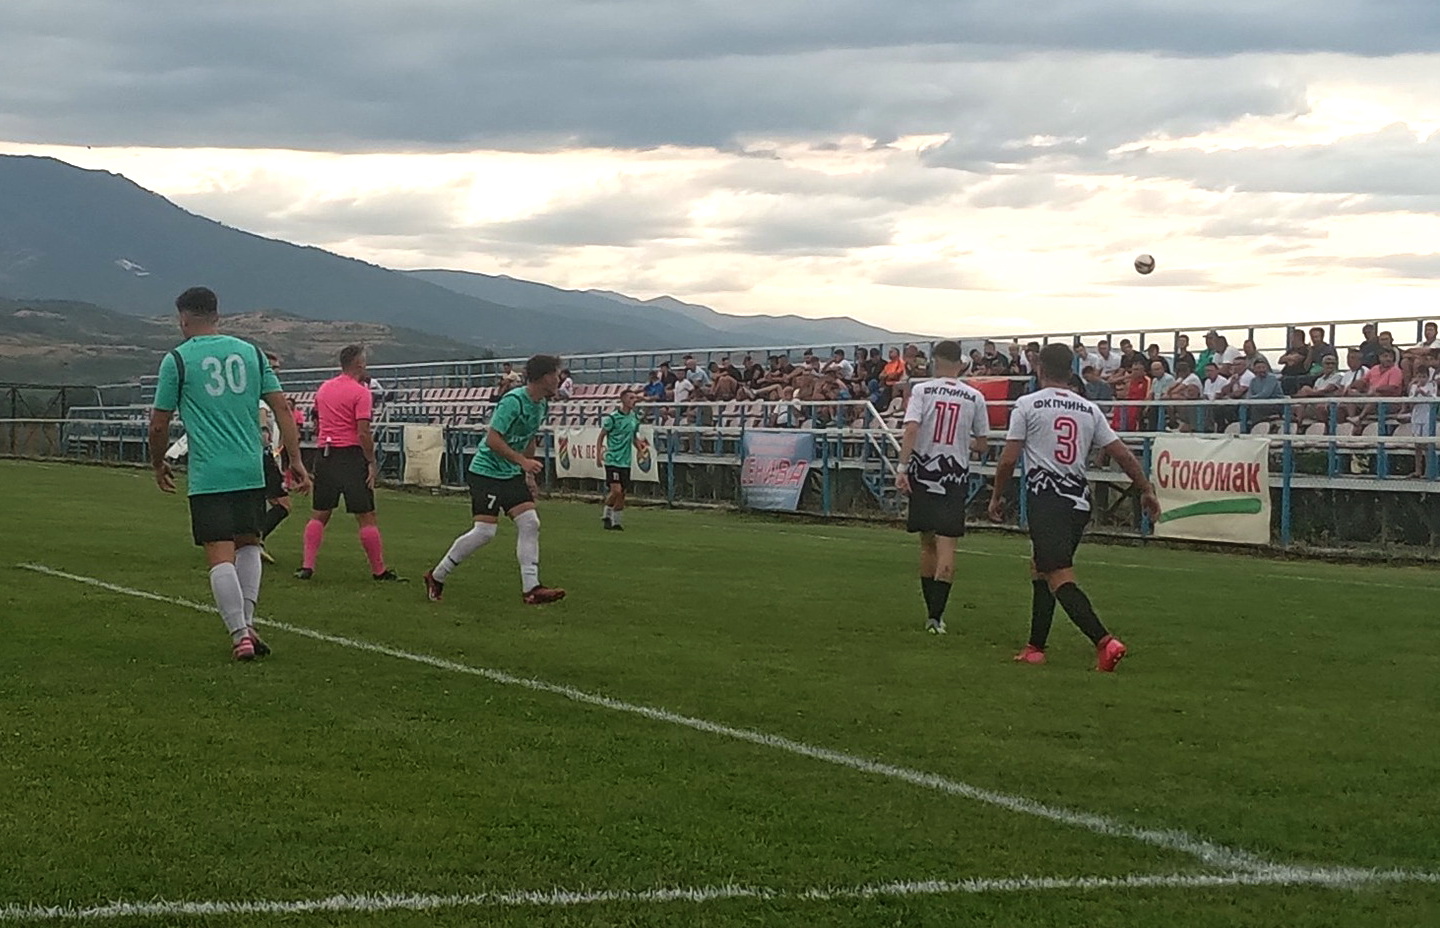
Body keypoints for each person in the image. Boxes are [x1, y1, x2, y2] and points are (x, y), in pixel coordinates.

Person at [147, 287, 311, 661]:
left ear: (183, 319)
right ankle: (248, 624)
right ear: (217, 316)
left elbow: (159, 423)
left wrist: (158, 462)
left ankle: (240, 634)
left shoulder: (177, 360)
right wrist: (296, 460)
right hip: (250, 468)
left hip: (210, 473)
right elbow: (282, 409)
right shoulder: (251, 353)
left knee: (220, 553)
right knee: (249, 544)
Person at [988, 343, 1160, 671]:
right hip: (1079, 500)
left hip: (1048, 498)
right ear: (1071, 372)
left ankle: (1104, 641)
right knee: (1041, 567)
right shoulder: (1088, 409)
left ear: (1039, 368)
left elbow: (1008, 458)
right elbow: (1123, 454)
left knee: (1058, 574)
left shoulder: (1027, 404)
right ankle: (1035, 647)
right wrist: (1146, 489)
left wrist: (997, 495)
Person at [423, 354, 567, 605]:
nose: (559, 379)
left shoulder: (541, 405)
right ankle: (437, 575)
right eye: (556, 374)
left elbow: (528, 438)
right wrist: (522, 461)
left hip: (510, 473)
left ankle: (532, 588)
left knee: (530, 522)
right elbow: (492, 439)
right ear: (545, 377)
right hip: (486, 473)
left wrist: (527, 474)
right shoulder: (514, 401)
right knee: (485, 532)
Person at [895, 340, 988, 635]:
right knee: (947, 544)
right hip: (954, 475)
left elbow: (911, 429)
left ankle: (930, 614)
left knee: (926, 542)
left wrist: (902, 468)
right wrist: (962, 441)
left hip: (923, 472)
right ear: (960, 364)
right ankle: (938, 616)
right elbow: (982, 444)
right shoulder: (975, 396)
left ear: (935, 362)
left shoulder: (922, 390)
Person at [297, 345, 403, 582]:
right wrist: (371, 461)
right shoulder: (361, 393)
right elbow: (363, 432)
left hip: (325, 455)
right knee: (366, 515)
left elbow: (317, 422)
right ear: (359, 364)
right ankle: (379, 570)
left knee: (319, 513)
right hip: (350, 455)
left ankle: (307, 566)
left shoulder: (324, 388)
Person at [257, 350, 292, 564]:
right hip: (262, 455)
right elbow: (262, 419)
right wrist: (264, 434)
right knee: (283, 504)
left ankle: (250, 542)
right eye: (273, 369)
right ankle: (256, 540)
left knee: (260, 500)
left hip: (254, 455)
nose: (277, 373)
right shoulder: (262, 399)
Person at [597, 390, 644, 531]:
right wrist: (598, 454)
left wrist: (640, 450)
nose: (634, 400)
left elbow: (633, 437)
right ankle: (606, 514)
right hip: (613, 459)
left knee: (622, 493)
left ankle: (616, 522)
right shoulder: (613, 418)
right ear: (623, 400)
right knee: (616, 491)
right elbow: (601, 436)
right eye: (631, 398)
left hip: (626, 461)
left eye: (635, 397)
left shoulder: (634, 418)